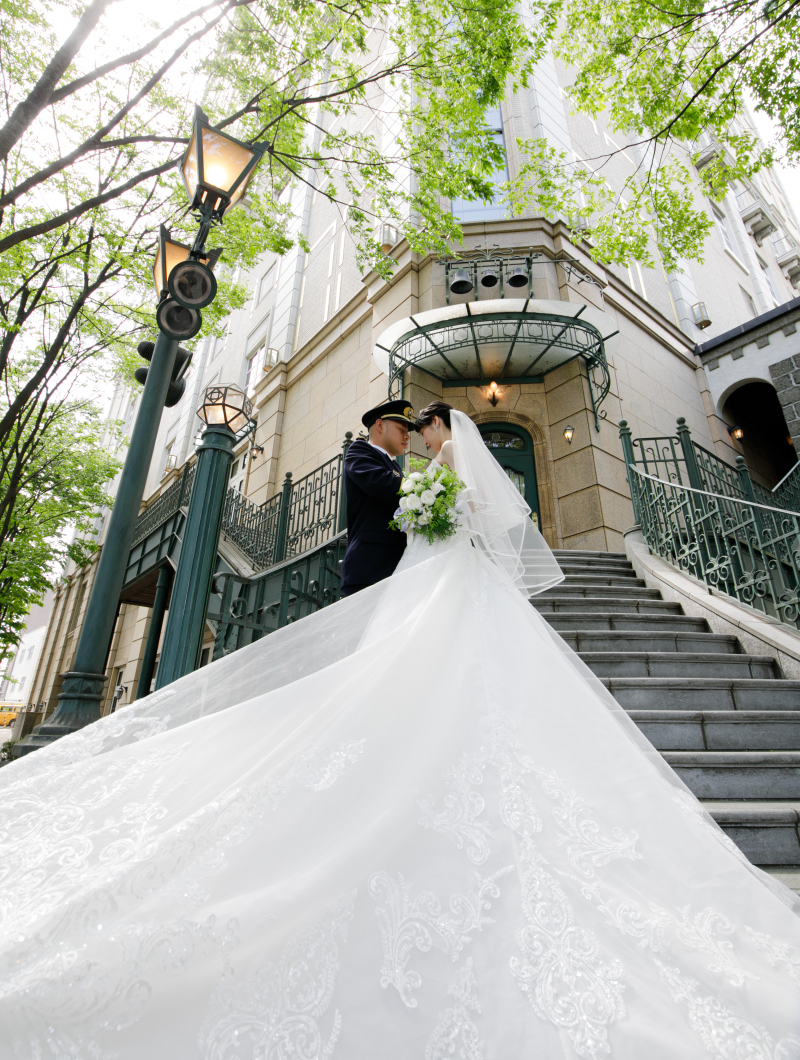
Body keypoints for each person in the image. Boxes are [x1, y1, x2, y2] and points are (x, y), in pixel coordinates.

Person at [0, 402, 799, 1057]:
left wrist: (429, 510)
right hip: (441, 584)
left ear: (437, 430)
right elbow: (438, 520)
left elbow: (457, 519)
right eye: (410, 430)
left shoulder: (441, 465)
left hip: (444, 583)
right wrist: (425, 511)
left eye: (422, 429)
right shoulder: (411, 467)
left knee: (434, 678)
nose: (415, 437)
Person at [340, 399, 414, 596]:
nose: (407, 437)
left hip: (396, 567)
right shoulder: (359, 450)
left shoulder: (395, 467)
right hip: (369, 566)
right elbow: (381, 484)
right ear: (380, 425)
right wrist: (422, 489)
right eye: (402, 429)